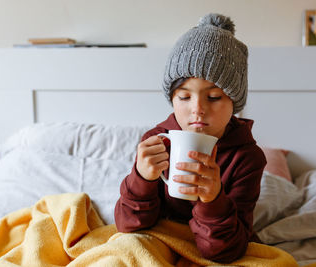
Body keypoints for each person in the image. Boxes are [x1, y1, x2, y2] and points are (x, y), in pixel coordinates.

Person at [114, 13, 266, 264]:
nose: (198, 109)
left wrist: (213, 199)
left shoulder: (247, 159)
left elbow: (227, 250)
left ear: (234, 102)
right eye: (184, 97)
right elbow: (127, 225)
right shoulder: (157, 141)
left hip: (217, 243)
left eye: (214, 97)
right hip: (160, 240)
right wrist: (141, 180)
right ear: (172, 99)